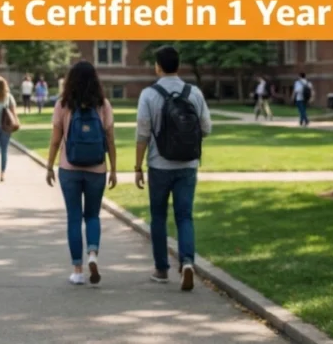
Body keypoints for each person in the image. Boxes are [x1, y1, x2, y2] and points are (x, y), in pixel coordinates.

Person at [134, 45, 212, 291]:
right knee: (184, 216)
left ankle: (161, 269)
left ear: (158, 66)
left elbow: (142, 134)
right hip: (187, 165)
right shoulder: (194, 93)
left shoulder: (148, 94)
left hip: (159, 165)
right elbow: (207, 128)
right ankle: (187, 262)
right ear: (179, 66)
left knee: (158, 217)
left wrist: (137, 166)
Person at [46, 61, 116, 286]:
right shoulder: (103, 105)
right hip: (97, 169)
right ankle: (93, 254)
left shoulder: (63, 105)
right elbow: (110, 140)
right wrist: (113, 168)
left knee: (74, 217)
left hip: (70, 169)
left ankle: (77, 270)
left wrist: (48, 166)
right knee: (93, 215)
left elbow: (56, 140)